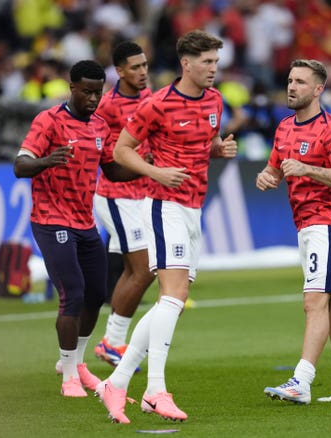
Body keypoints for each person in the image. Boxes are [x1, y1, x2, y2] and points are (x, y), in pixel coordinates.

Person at [95, 30, 237, 423]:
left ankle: (117, 382)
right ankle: (155, 389)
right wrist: (157, 171)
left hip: (194, 209)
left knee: (168, 304)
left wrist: (218, 149)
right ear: (186, 63)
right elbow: (122, 149)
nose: (213, 69)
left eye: (216, 62)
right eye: (207, 62)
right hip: (163, 207)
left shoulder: (215, 100)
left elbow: (198, 144)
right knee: (172, 297)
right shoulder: (157, 104)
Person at [13, 60, 136, 397]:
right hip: (51, 220)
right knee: (73, 293)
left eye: (98, 92)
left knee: (96, 294)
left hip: (85, 222)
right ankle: (69, 375)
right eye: (87, 92)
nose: (94, 99)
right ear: (72, 88)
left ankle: (76, 361)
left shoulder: (99, 126)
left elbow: (111, 171)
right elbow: (20, 166)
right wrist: (45, 161)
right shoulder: (48, 121)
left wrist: (148, 168)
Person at [256, 59, 331, 404]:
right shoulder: (285, 127)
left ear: (318, 89)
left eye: (301, 82)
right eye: (290, 80)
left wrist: (307, 168)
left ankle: (301, 381)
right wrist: (267, 176)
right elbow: (275, 167)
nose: (292, 87)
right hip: (307, 225)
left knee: (314, 301)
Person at [92, 41, 155, 368]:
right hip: (117, 196)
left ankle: (107, 343)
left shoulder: (150, 98)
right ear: (119, 71)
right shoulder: (107, 106)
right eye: (135, 67)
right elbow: (98, 151)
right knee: (144, 271)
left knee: (135, 271)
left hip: (143, 195)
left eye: (145, 65)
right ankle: (111, 342)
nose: (143, 72)